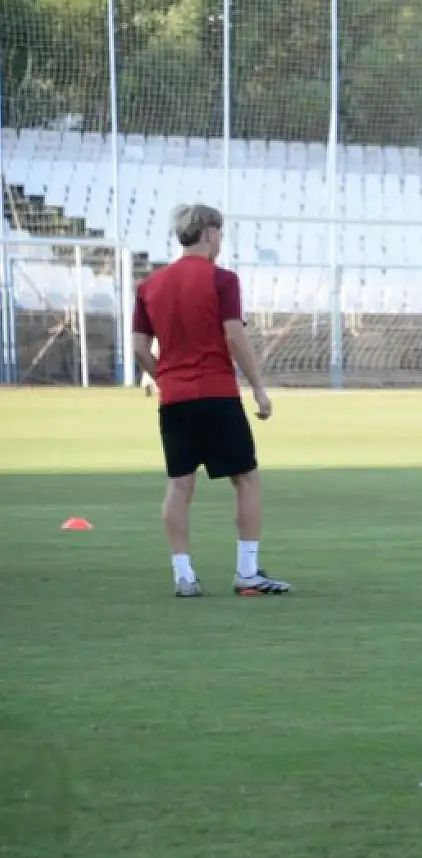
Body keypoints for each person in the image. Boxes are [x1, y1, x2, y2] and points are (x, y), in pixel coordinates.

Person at [132, 203, 288, 598]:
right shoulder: (222, 280)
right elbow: (234, 336)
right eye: (219, 233)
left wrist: (165, 377)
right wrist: (258, 388)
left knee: (180, 485)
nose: (220, 240)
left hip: (175, 400)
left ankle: (184, 575)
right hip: (216, 392)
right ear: (208, 234)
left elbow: (138, 347)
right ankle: (247, 572)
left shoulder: (149, 286)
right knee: (246, 478)